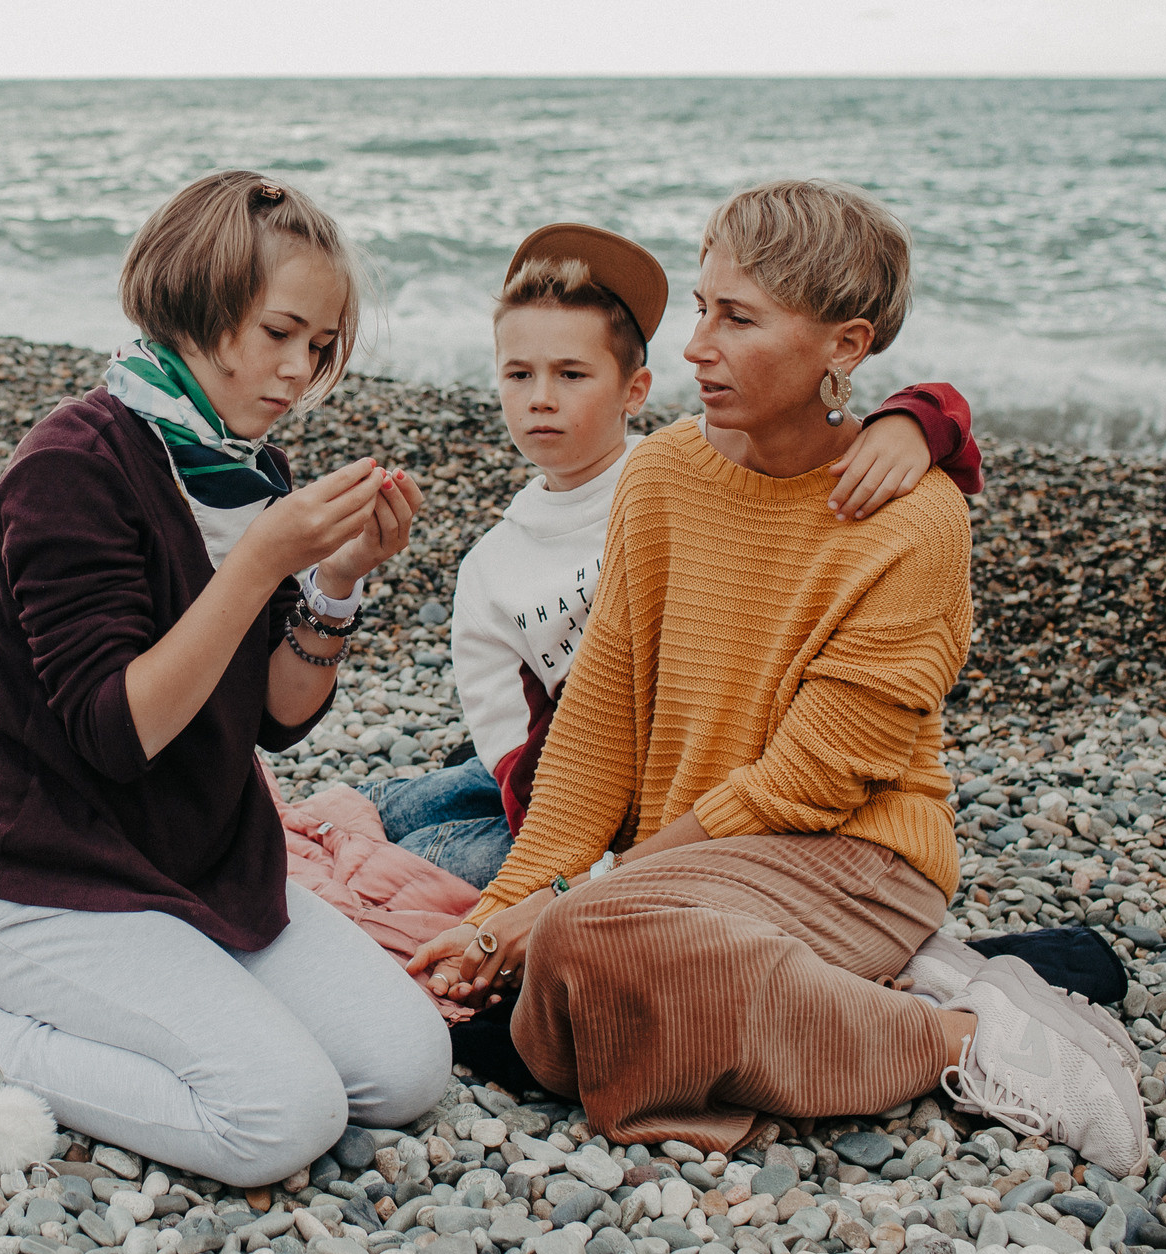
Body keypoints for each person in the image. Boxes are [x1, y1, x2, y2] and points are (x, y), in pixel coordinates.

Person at [406, 178, 1146, 1172]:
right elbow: (597, 729)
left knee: (582, 950)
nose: (694, 346)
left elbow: (812, 783)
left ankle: (965, 1039)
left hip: (850, 854)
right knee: (541, 957)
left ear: (843, 345)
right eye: (702, 307)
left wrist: (573, 902)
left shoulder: (914, 519)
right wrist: (501, 915)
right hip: (687, 867)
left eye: (736, 318)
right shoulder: (663, 475)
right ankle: (858, 990)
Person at [0, 170, 451, 1187]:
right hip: (51, 877)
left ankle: (167, 996)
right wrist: (267, 556)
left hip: (205, 859)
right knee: (277, 1120)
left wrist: (338, 581)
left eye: (319, 348)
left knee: (405, 1073)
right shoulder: (72, 468)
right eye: (280, 333)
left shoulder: (237, 471)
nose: (298, 374)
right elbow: (113, 732)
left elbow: (275, 717)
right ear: (197, 303)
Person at [363, 221, 982, 890]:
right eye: (519, 374)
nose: (542, 397)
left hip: (688, 779)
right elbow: (531, 752)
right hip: (564, 771)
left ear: (635, 392)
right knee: (441, 810)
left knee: (427, 848)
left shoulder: (675, 471)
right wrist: (553, 868)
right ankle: (371, 804)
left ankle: (376, 809)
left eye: (572, 373)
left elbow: (815, 436)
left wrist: (920, 416)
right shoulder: (508, 557)